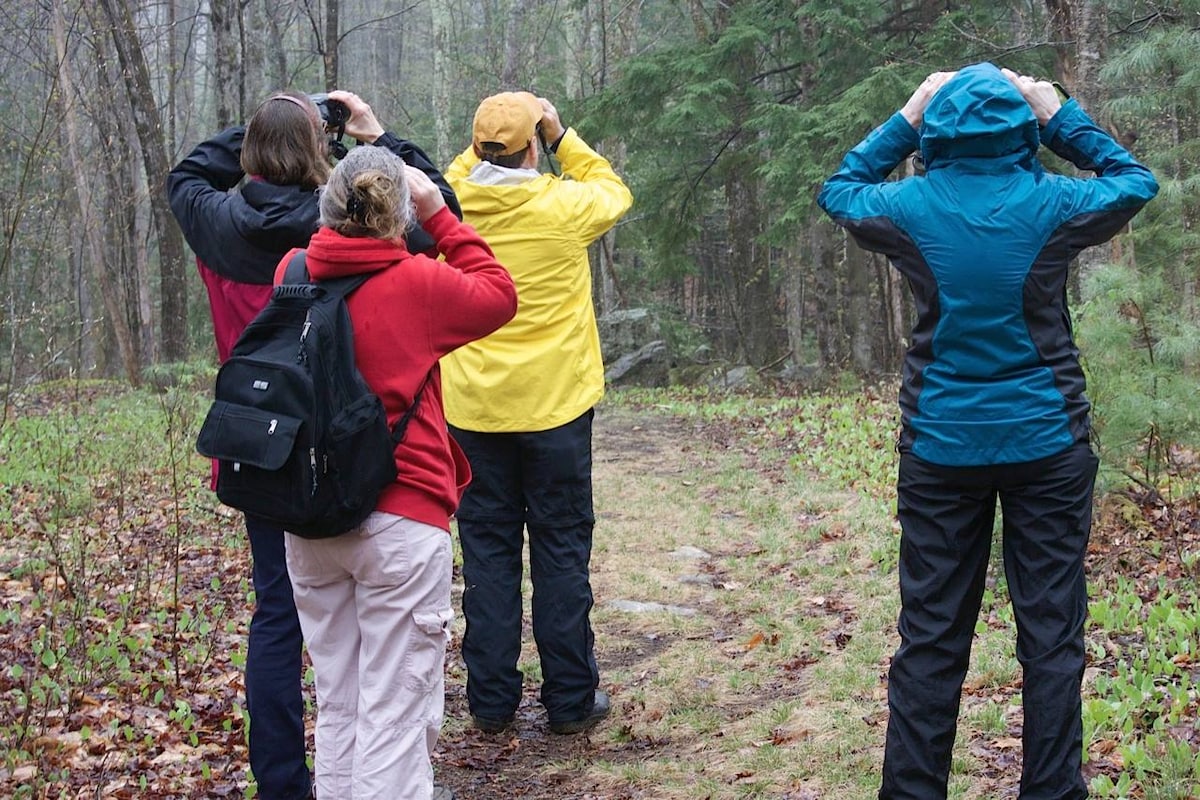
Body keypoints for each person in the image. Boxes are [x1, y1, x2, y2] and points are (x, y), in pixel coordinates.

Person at [817, 63, 1158, 798]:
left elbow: (839, 190)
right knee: (1052, 638)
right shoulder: (1055, 200)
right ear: (1021, 129)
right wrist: (1058, 111)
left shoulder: (909, 204)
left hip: (941, 450)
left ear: (937, 132)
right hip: (1048, 446)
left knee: (933, 638)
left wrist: (906, 116)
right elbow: (1134, 181)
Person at [167, 90, 461, 800]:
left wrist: (267, 123)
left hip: (260, 448)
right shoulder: (340, 224)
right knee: (374, 632)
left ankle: (284, 783)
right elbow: (440, 208)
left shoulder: (218, 223)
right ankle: (384, 776)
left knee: (280, 616)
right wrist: (366, 131)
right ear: (319, 151)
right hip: (356, 446)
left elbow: (185, 175)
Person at [277, 139, 516, 799]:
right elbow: (498, 295)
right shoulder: (419, 282)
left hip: (311, 518)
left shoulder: (292, 273)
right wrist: (440, 216)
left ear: (327, 206)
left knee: (342, 704)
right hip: (401, 520)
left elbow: (336, 259)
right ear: (399, 215)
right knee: (395, 715)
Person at [440, 92, 633, 735]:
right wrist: (560, 134)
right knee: (560, 549)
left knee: (487, 553)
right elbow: (611, 186)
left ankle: (491, 704)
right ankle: (572, 701)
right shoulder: (562, 206)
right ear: (533, 145)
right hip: (555, 408)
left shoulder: (452, 210)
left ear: (479, 147)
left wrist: (492, 142)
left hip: (472, 410)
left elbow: (449, 175)